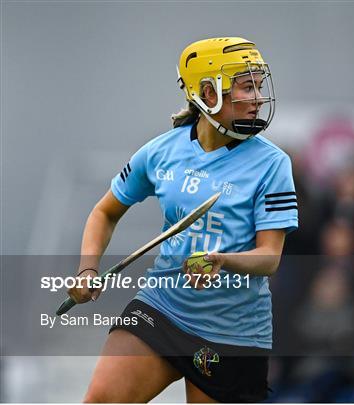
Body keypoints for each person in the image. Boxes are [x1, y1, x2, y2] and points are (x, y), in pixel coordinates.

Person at [67, 37, 298, 403]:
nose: (256, 97)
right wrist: (87, 269)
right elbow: (104, 212)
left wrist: (221, 260)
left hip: (231, 333)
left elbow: (269, 258)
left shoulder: (273, 164)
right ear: (208, 94)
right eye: (245, 86)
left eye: (258, 85)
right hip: (162, 308)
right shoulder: (162, 151)